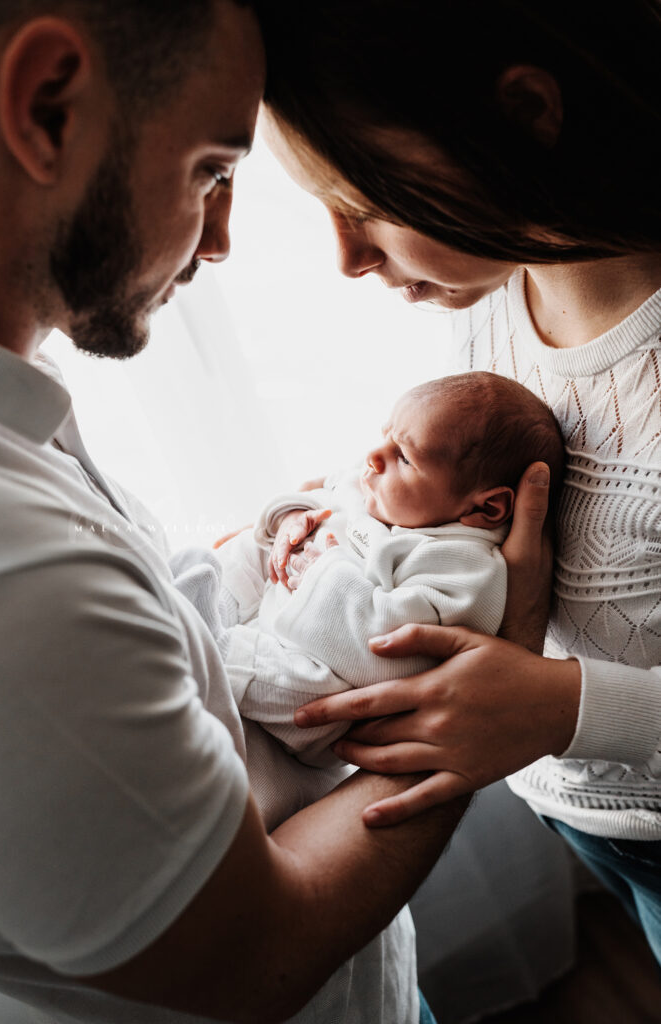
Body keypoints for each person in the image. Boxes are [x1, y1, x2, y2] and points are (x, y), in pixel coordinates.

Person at [0, 3, 486, 1023]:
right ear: (48, 106)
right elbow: (262, 957)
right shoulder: (13, 581)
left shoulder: (16, 430)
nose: (218, 240)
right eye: (212, 170)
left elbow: (151, 635)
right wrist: (485, 673)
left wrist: (258, 552)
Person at [253, 0, 661, 964]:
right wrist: (340, 520)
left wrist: (563, 706)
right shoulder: (499, 291)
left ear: (524, 113)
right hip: (570, 804)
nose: (348, 258)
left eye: (370, 203)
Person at [204, 372, 563, 767]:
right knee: (239, 553)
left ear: (486, 508)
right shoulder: (382, 486)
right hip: (277, 602)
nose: (375, 455)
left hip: (320, 679)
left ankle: (211, 652)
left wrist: (322, 573)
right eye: (386, 435)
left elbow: (389, 650)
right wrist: (293, 516)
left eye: (404, 457)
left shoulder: (466, 570)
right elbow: (327, 490)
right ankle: (201, 598)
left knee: (310, 692)